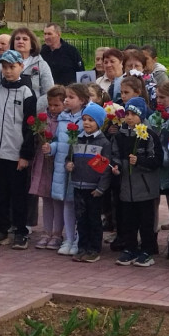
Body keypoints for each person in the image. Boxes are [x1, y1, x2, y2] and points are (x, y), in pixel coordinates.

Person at [0, 50, 36, 249]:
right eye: (4, 67)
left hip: (16, 153)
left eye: (12, 67)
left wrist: (25, 154)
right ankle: (0, 230)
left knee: (18, 195)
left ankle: (20, 231)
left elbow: (31, 127)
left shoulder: (27, 93)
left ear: (21, 66)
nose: (8, 71)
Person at [111, 96, 163, 267]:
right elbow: (116, 155)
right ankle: (130, 248)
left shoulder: (150, 135)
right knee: (128, 221)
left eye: (134, 114)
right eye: (127, 113)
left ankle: (147, 250)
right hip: (127, 187)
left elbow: (156, 161)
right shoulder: (120, 135)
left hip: (145, 188)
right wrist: (116, 166)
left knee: (146, 222)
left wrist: (139, 161)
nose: (130, 117)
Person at [43, 83, 91, 256]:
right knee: (66, 203)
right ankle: (68, 238)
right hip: (62, 167)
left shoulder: (85, 118)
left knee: (76, 203)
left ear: (82, 100)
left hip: (77, 168)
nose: (67, 100)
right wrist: (52, 148)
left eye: (71, 97)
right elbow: (58, 140)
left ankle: (78, 240)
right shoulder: (63, 118)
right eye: (67, 97)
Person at [67, 102, 112, 263]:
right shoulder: (76, 139)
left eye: (91, 120)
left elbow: (105, 169)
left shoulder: (103, 143)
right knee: (81, 219)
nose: (86, 123)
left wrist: (101, 188)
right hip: (78, 186)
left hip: (94, 189)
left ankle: (94, 248)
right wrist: (69, 164)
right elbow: (69, 157)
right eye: (84, 119)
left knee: (93, 219)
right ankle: (82, 247)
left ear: (99, 123)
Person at [148, 80, 169, 259]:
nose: (159, 100)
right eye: (157, 97)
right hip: (156, 165)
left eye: (163, 97)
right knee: (153, 202)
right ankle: (151, 238)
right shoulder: (154, 117)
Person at [31, 86, 66, 250]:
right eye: (50, 105)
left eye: (56, 105)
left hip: (58, 163)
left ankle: (57, 233)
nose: (53, 108)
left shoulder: (65, 120)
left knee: (57, 198)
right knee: (45, 197)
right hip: (44, 162)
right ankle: (46, 231)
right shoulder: (43, 119)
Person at [8, 27, 54, 113]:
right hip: (8, 114)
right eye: (17, 39)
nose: (20, 41)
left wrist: (32, 108)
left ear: (32, 44)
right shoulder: (2, 64)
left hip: (33, 116)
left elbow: (49, 92)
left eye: (25, 39)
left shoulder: (42, 65)